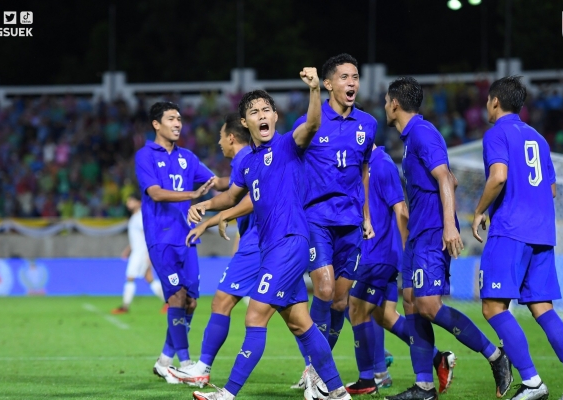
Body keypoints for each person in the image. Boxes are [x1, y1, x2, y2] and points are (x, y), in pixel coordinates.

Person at [188, 68, 351, 400]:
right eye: (253, 112)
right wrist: (216, 213)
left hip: (290, 243)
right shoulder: (249, 164)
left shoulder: (289, 144)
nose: (261, 116)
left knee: (254, 315)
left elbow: (312, 125)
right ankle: (337, 392)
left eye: (265, 110)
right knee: (301, 325)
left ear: (275, 117)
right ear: (245, 123)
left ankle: (228, 394)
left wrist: (314, 90)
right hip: (270, 246)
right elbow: (245, 198)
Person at [382, 77, 512, 400]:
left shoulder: (424, 134)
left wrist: (449, 226)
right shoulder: (411, 138)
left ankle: (495, 356)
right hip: (418, 234)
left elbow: (447, 179)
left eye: (386, 101)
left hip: (431, 234)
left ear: (395, 103)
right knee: (411, 303)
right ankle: (424, 386)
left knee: (428, 305)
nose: (385, 106)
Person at [472, 75, 563, 400]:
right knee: (543, 306)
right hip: (543, 233)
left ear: (496, 102)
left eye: (488, 101)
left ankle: (532, 383)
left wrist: (480, 211)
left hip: (511, 230)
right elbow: (552, 190)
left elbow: (498, 176)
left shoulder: (496, 134)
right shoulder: (539, 139)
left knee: (492, 307)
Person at [289, 53, 375, 387]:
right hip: (316, 219)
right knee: (323, 289)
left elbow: (363, 170)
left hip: (350, 221)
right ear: (328, 84)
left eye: (355, 76)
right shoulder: (311, 121)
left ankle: (315, 370)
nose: (352, 83)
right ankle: (318, 371)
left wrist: (366, 215)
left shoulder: (367, 124)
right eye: (344, 77)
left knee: (340, 299)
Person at [344, 143, 456, 396]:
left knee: (354, 307)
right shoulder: (364, 165)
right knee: (385, 316)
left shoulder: (382, 164)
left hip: (379, 253)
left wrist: (407, 254)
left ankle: (369, 378)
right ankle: (438, 358)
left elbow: (401, 208)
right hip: (373, 251)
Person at [172, 113, 261, 388]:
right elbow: (231, 190)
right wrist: (213, 193)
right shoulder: (247, 160)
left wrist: (211, 216)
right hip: (272, 242)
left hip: (259, 242)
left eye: (221, 136)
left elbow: (248, 199)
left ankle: (202, 367)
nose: (219, 142)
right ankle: (321, 375)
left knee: (222, 301)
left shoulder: (246, 160)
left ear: (231, 138)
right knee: (297, 317)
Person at [134, 101, 218, 384]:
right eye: (171, 118)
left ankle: (164, 362)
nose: (178, 123)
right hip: (161, 239)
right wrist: (191, 196)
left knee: (191, 302)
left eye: (180, 118)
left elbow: (215, 182)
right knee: (176, 298)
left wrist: (252, 175)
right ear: (156, 124)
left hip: (187, 238)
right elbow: (156, 193)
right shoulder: (145, 156)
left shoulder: (188, 158)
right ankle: (186, 363)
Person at [111, 193, 164, 314]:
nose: (128, 203)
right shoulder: (135, 216)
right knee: (149, 278)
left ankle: (125, 306)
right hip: (138, 251)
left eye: (131, 201)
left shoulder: (141, 216)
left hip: (141, 253)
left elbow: (149, 235)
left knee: (130, 277)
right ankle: (170, 303)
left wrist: (150, 253)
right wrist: (128, 250)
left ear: (139, 202)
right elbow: (138, 237)